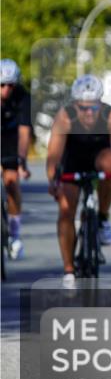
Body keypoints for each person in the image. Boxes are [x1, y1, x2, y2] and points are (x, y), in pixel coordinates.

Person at [46, 74, 111, 289]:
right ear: (76, 105)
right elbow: (54, 156)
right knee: (66, 210)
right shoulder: (65, 117)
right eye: (83, 108)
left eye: (93, 107)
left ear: (100, 103)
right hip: (73, 161)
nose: (89, 112)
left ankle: (102, 218)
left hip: (100, 159)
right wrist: (53, 181)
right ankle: (69, 270)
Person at [1, 59, 32, 260]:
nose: (6, 90)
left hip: (11, 140)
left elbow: (24, 131)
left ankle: (14, 234)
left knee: (12, 182)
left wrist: (21, 161)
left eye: (10, 85)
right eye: (1, 85)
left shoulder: (22, 97)